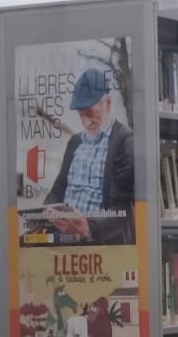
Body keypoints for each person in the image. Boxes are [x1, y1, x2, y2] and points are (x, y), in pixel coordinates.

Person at [40, 68, 135, 244]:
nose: (85, 122)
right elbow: (58, 190)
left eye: (91, 113)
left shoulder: (125, 141)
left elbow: (122, 208)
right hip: (64, 237)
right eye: (81, 115)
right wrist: (49, 210)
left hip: (99, 240)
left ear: (108, 104)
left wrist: (89, 227)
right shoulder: (75, 142)